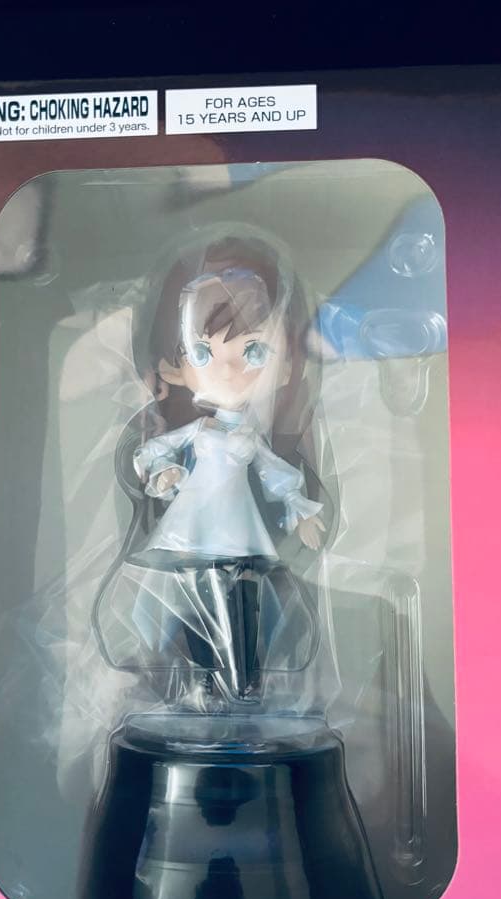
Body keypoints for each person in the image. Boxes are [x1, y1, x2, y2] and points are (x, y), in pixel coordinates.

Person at [95, 230, 330, 706]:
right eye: (202, 353)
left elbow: (276, 475)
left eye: (254, 351)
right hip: (193, 529)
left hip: (238, 533)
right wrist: (162, 476)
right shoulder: (198, 432)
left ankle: (243, 678)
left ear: (286, 366)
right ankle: (202, 676)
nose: (228, 371)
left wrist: (300, 510)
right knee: (190, 602)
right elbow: (153, 453)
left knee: (244, 601)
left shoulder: (250, 437)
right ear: (174, 366)